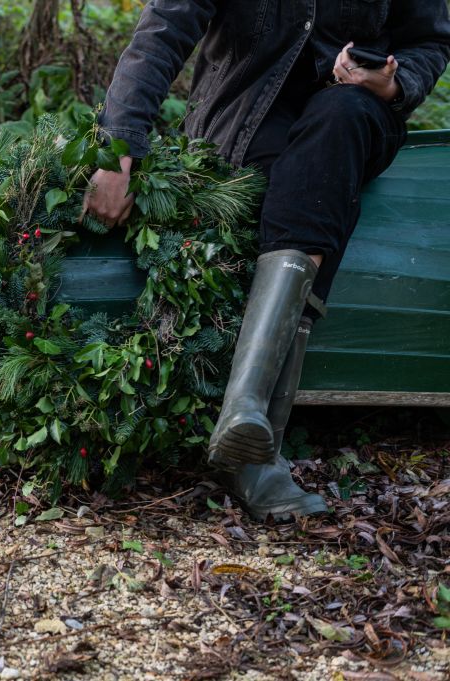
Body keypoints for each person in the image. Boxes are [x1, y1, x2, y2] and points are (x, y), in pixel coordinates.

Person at [84, 2, 450, 521]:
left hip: (355, 117)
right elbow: (162, 31)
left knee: (338, 121)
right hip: (245, 120)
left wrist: (391, 83)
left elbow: (430, 40)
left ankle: (248, 427)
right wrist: (119, 148)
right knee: (307, 181)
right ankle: (251, 440)